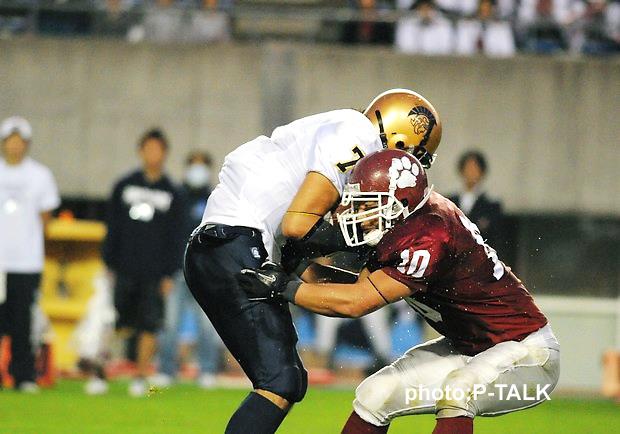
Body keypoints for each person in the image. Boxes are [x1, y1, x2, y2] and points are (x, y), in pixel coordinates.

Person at [237, 149, 560, 434]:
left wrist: (284, 288)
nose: (358, 214)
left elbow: (356, 303)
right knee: (376, 394)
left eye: (368, 205)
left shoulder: (430, 234)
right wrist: (298, 269)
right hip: (473, 348)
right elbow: (361, 288)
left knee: (460, 391)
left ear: (398, 205)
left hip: (528, 355)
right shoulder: (407, 225)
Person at [183, 89, 442, 434]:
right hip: (237, 244)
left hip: (222, 247)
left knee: (286, 379)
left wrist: (360, 284)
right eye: (410, 157)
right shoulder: (358, 134)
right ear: (398, 137)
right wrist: (367, 241)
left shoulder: (338, 127)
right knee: (281, 381)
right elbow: (297, 223)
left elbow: (298, 252)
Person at [102, 128, 184, 397]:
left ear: (165, 153)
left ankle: (140, 376)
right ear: (140, 151)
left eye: (157, 149)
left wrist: (169, 274)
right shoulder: (124, 185)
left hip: (155, 271)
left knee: (149, 324)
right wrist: (109, 262)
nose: (152, 154)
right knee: (119, 321)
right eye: (148, 148)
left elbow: (176, 236)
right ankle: (103, 373)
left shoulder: (172, 192)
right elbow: (112, 226)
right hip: (124, 266)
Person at [0, 116, 60, 392]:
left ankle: (23, 375)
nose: (14, 146)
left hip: (26, 261)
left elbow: (46, 218)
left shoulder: (40, 175)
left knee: (22, 320)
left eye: (19, 141)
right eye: (10, 140)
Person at [153, 150, 222, 389]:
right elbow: (165, 238)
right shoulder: (175, 198)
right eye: (194, 165)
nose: (198, 171)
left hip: (204, 273)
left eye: (202, 165)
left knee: (207, 324)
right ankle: (166, 369)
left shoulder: (217, 197)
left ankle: (207, 369)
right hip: (176, 271)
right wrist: (165, 272)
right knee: (170, 324)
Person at [448, 150, 504, 250]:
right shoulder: (449, 202)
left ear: (482, 172)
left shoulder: (491, 206)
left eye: (475, 168)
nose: (471, 172)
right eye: (468, 168)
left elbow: (494, 238)